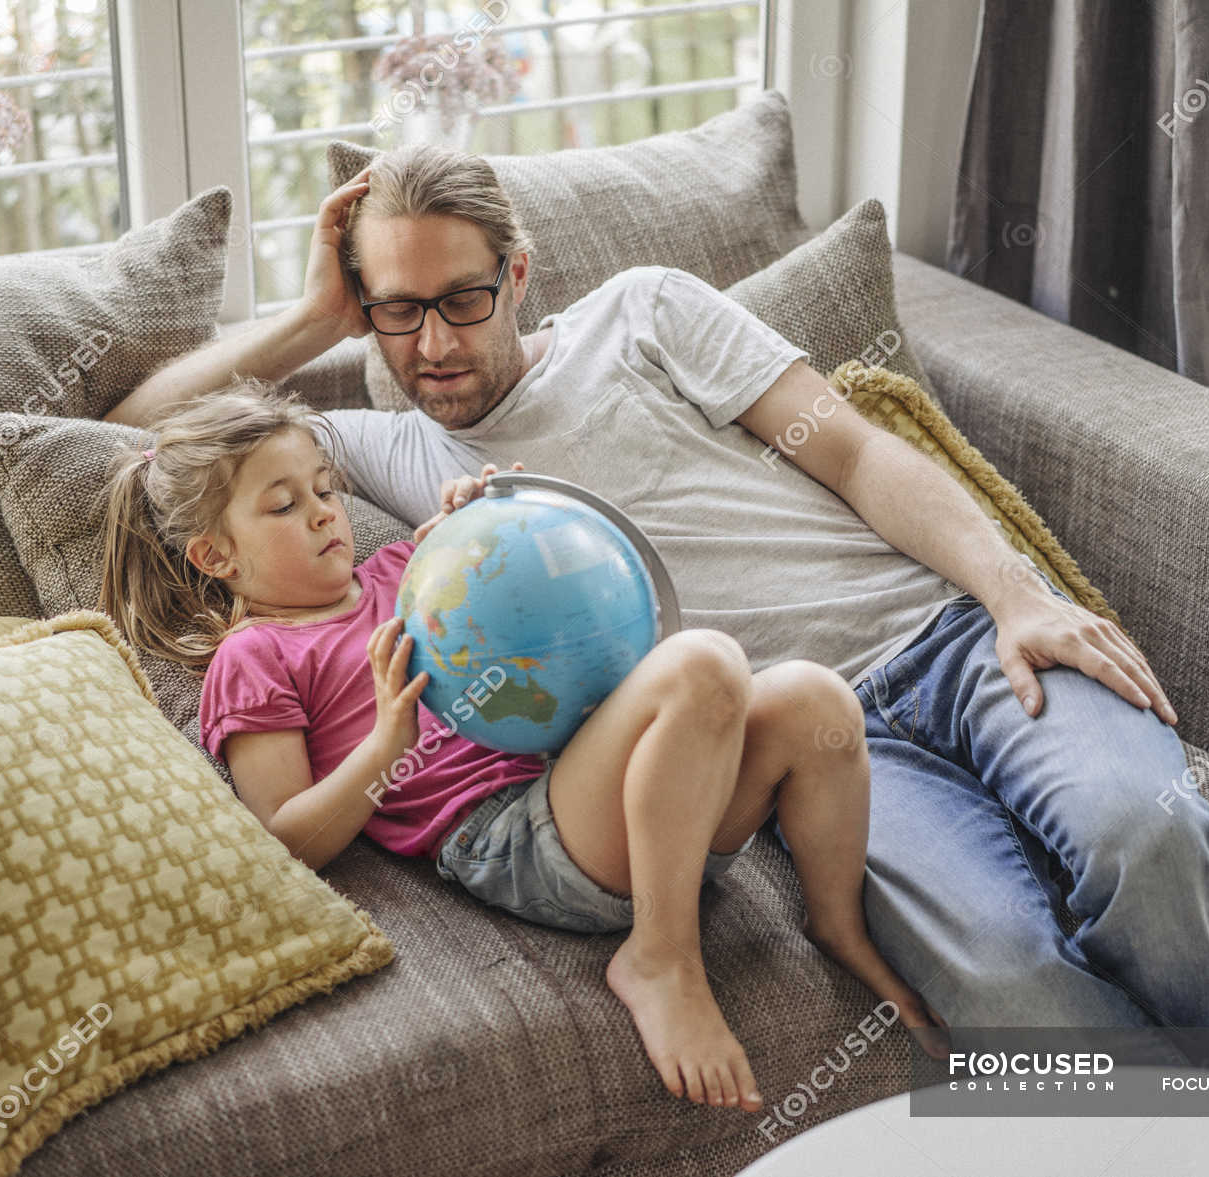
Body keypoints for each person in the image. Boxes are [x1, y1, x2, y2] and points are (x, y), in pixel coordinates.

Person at [106, 146, 1209, 1073]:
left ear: (517, 273)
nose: (437, 344)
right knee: (1006, 980)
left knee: (1150, 838)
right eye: (398, 312)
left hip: (949, 636)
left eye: (461, 298)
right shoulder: (392, 454)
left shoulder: (644, 313)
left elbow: (855, 453)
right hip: (805, 735)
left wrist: (1012, 594)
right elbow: (141, 426)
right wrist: (319, 314)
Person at [96, 380, 938, 1112]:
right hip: (520, 836)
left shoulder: (405, 566)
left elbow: (528, 598)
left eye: (325, 487)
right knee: (706, 665)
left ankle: (837, 925)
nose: (324, 512)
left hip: (623, 804)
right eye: (283, 505)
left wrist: (501, 524)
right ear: (215, 554)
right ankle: (660, 957)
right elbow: (284, 840)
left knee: (812, 697)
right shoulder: (255, 659)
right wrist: (389, 741)